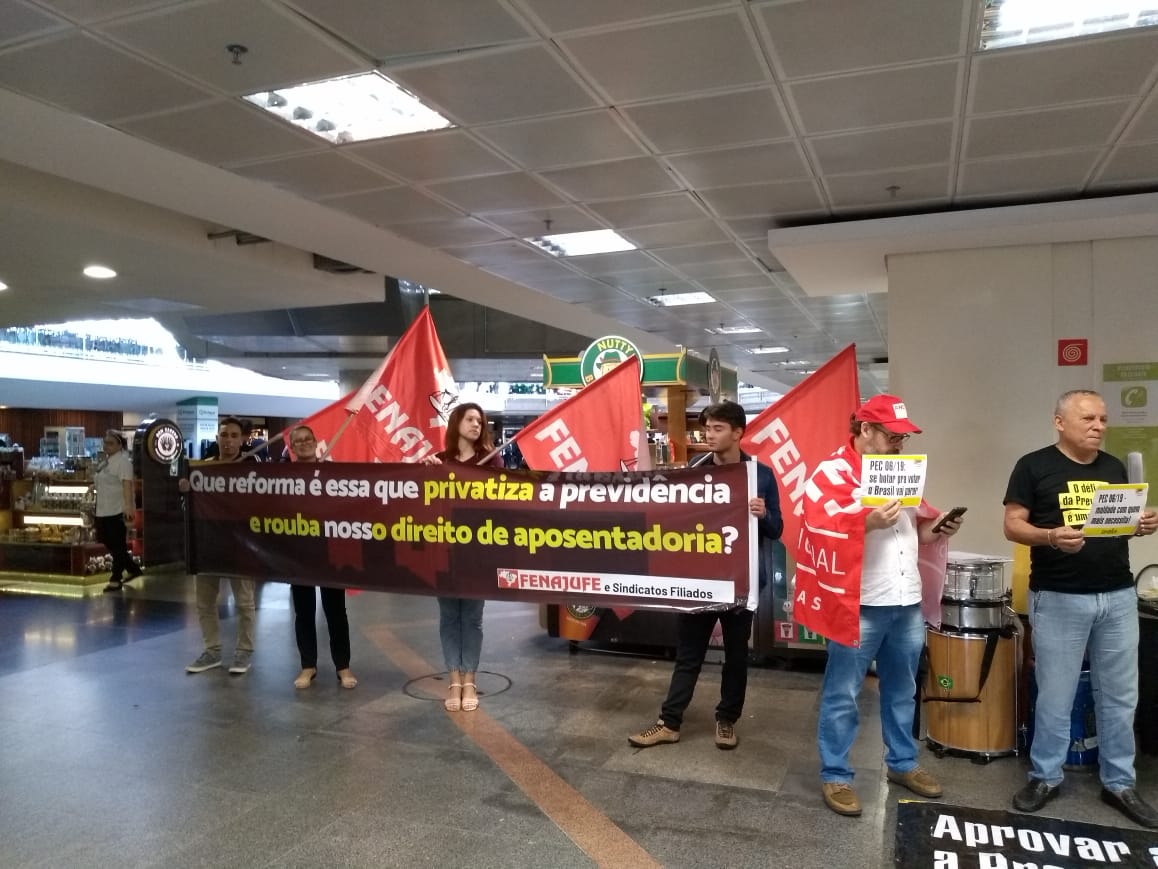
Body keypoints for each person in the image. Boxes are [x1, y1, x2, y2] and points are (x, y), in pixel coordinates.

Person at [801, 394, 962, 817]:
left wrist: (936, 529)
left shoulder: (899, 471)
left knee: (903, 689)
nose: (899, 444)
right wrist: (866, 521)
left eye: (903, 438)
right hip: (860, 604)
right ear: (865, 429)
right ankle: (836, 774)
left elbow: (913, 530)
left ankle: (903, 763)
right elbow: (817, 522)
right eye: (893, 436)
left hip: (906, 601)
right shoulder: (831, 472)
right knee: (842, 693)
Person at [1004, 389, 1158, 827]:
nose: (1098, 426)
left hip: (1117, 596)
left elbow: (1118, 523)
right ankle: (1045, 777)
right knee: (1055, 694)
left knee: (1120, 695)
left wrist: (1140, 523)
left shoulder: (1114, 468)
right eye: (1088, 418)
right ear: (1060, 422)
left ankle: (1120, 782)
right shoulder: (1033, 466)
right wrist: (1050, 536)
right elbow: (1012, 525)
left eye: (1103, 419)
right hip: (1059, 596)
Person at [628, 400, 783, 750]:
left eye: (717, 429)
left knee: (736, 656)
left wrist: (764, 515)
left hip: (742, 582)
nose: (709, 435)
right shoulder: (695, 469)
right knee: (689, 653)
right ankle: (669, 722)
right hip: (701, 581)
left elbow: (777, 529)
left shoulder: (760, 475)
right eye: (707, 429)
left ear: (738, 433)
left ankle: (727, 720)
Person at [422, 403, 503, 712]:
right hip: (444, 550)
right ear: (456, 423)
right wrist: (425, 471)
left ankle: (470, 679)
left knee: (471, 617)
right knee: (449, 616)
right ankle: (453, 679)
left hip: (477, 551)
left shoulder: (491, 461)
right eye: (470, 419)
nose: (476, 425)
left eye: (480, 421)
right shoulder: (439, 461)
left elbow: (502, 501)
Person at [179, 417, 258, 676]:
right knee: (204, 601)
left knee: (244, 602)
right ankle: (212, 650)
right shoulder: (203, 468)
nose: (229, 440)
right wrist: (186, 492)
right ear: (217, 438)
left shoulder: (251, 468)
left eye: (234, 435)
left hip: (240, 544)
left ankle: (244, 651)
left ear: (242, 439)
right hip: (207, 543)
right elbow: (189, 507)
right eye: (224, 435)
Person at [286, 424, 357, 690]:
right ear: (292, 447)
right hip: (298, 553)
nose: (304, 443)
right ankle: (308, 666)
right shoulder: (282, 476)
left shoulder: (332, 472)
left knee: (336, 611)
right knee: (303, 611)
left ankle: (343, 666)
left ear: (316, 443)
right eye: (299, 441)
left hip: (330, 552)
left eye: (308, 439)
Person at [94, 429, 140, 592]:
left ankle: (116, 578)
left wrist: (128, 506)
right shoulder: (105, 462)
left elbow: (127, 484)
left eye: (111, 443)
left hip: (117, 509)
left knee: (118, 544)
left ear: (120, 445)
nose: (107, 446)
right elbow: (103, 480)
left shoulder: (123, 462)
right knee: (108, 541)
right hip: (102, 509)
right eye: (105, 443)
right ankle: (133, 568)